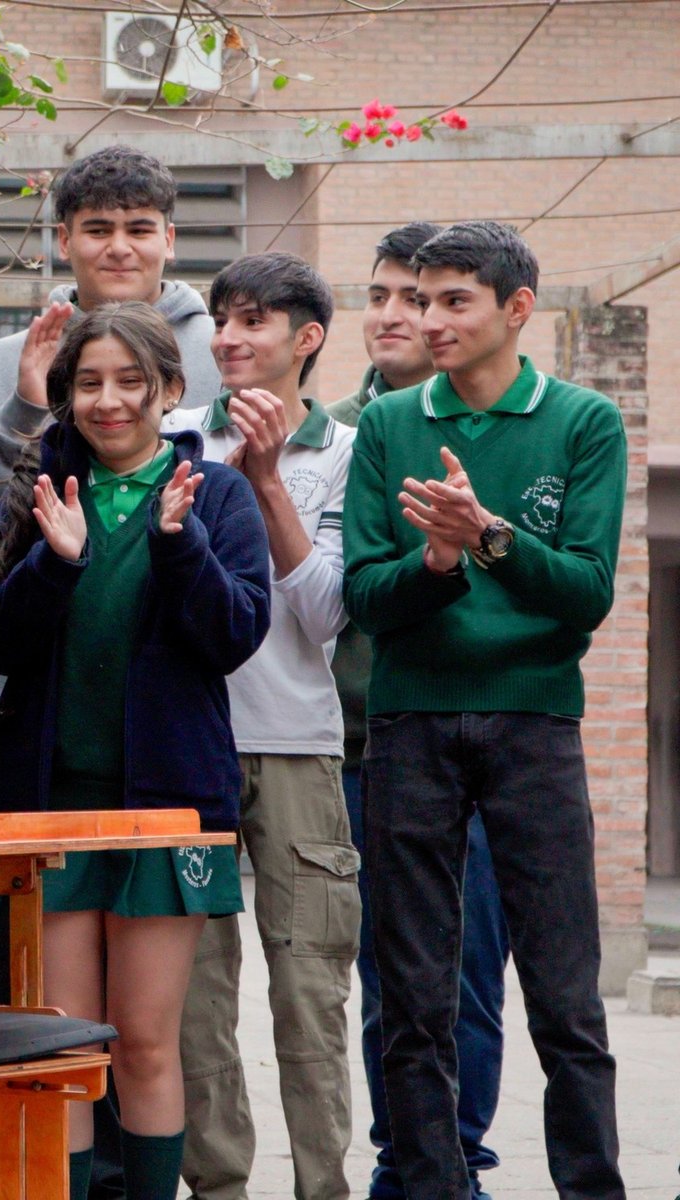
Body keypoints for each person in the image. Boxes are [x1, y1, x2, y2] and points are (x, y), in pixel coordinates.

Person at [0, 145, 223, 1200]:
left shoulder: (209, 487)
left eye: (132, 383)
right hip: (43, 792)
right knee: (53, 1037)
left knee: (153, 1041)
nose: (110, 402)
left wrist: (176, 539)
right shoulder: (38, 482)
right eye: (87, 385)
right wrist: (55, 562)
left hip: (166, 798)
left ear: (168, 389)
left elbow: (230, 628)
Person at [344, 220, 627, 1198]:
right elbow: (368, 599)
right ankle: (429, 1183)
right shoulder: (386, 425)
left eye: (452, 300)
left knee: (563, 992)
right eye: (418, 300)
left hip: (533, 723)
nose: (426, 319)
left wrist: (492, 537)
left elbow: (587, 592)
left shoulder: (584, 421)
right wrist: (433, 562)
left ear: (517, 310)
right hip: (410, 723)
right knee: (412, 993)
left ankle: (591, 1184)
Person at [163, 252, 359, 1200]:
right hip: (185, 745)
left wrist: (270, 481)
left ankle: (326, 1187)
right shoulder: (169, 437)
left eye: (253, 322)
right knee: (194, 999)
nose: (231, 339)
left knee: (310, 990)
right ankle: (220, 1189)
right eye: (222, 321)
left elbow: (324, 615)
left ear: (306, 338)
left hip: (296, 743)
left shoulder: (349, 449)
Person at [328, 222, 509, 1200]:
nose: (399, 315)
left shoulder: (510, 431)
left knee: (467, 979)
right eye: (383, 295)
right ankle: (408, 1166)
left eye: (424, 297)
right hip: (363, 749)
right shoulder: (332, 436)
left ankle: (454, 1169)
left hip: (483, 745)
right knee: (388, 985)